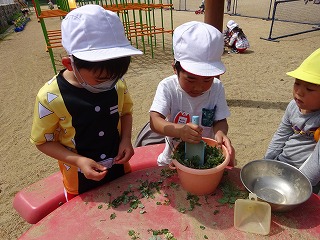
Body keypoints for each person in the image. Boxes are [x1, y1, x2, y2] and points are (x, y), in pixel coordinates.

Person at [30, 5, 142, 201]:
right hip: (79, 181)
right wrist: (78, 160)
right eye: (101, 79)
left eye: (115, 77)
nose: (110, 83)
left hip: (119, 170)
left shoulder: (117, 84)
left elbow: (126, 113)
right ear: (69, 64)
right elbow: (43, 142)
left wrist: (125, 140)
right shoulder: (50, 96)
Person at [149, 21, 235, 166]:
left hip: (205, 156)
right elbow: (154, 121)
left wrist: (221, 133)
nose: (198, 87)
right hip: (172, 159)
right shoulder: (167, 87)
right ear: (175, 69)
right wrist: (180, 131)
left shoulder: (217, 87)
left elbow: (220, 120)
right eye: (191, 79)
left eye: (207, 79)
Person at [264, 48, 320, 194]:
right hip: (283, 163)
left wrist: (298, 185)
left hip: (307, 178)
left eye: (309, 89)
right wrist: (267, 162)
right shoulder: (292, 107)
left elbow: (317, 162)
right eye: (297, 83)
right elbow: (280, 135)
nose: (299, 92)